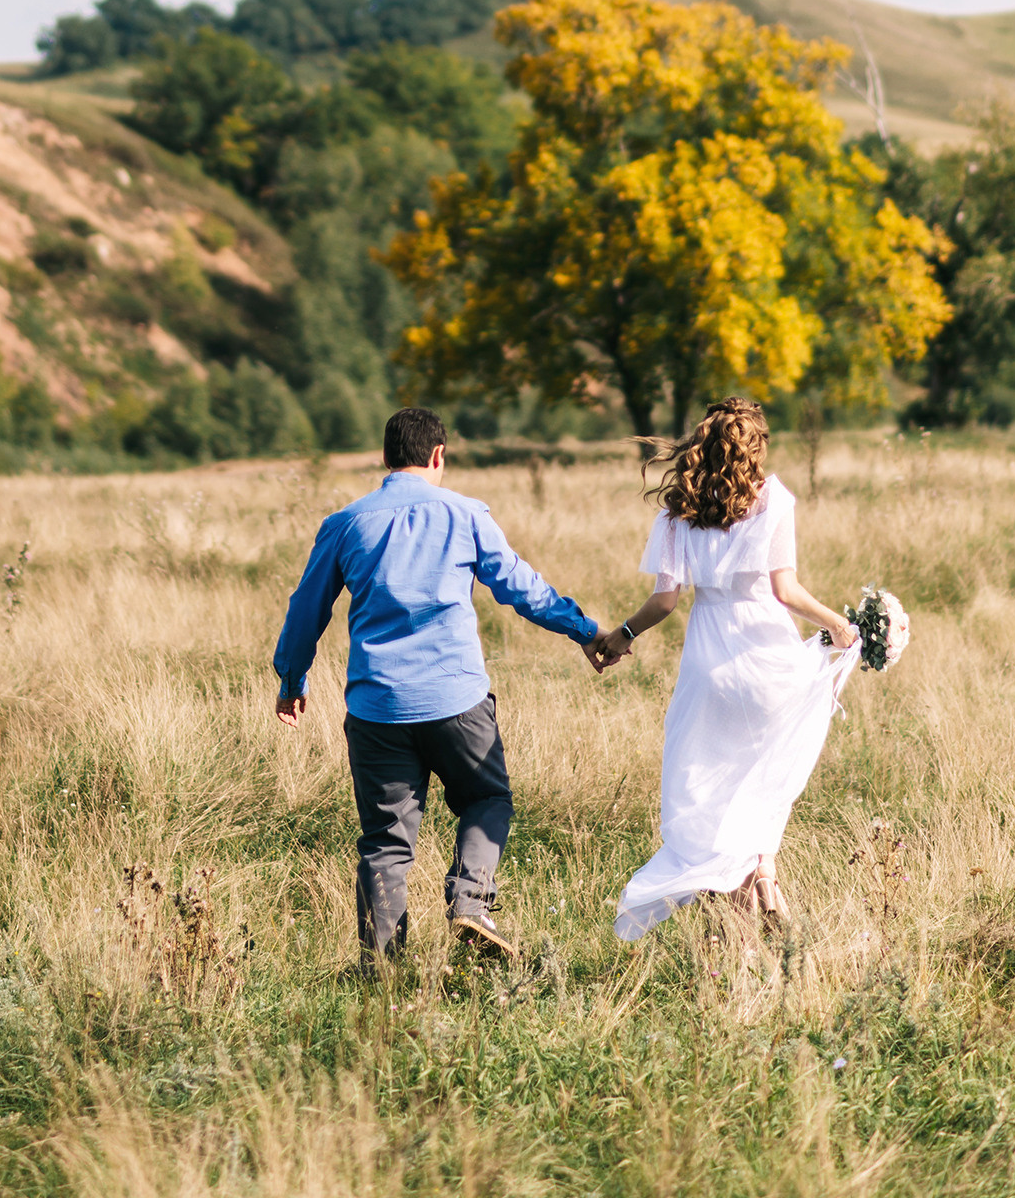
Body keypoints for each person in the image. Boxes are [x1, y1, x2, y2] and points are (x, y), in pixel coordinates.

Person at [274, 405, 601, 966]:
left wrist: (292, 678)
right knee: (486, 797)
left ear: (385, 459)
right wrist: (587, 631)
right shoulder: (466, 514)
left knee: (385, 841)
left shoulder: (345, 524)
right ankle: (471, 903)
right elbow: (521, 588)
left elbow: (308, 608)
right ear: (438, 456)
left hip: (377, 711)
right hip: (457, 703)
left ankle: (383, 971)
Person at [590, 395, 858, 937]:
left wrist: (621, 636)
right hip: (768, 660)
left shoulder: (679, 512)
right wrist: (836, 623)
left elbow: (665, 602)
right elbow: (785, 591)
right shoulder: (773, 500)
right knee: (764, 776)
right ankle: (763, 875)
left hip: (710, 664)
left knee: (715, 787)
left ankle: (751, 895)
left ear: (701, 446)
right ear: (755, 448)